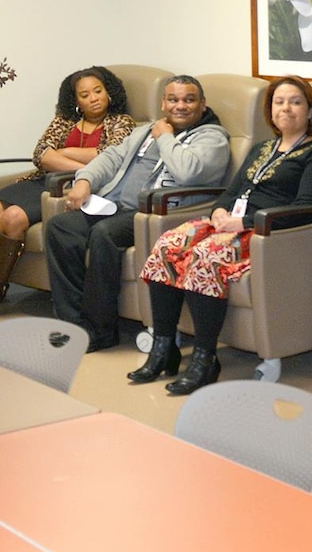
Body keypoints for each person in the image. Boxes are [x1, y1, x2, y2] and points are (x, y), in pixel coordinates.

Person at [132, 76, 312, 395]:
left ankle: (205, 359)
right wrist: (220, 211)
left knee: (206, 257)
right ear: (270, 111)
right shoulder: (262, 148)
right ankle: (164, 348)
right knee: (168, 245)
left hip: (268, 234)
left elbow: (306, 210)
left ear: (311, 111)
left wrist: (244, 224)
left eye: (295, 102)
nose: (286, 108)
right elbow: (233, 192)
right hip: (230, 224)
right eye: (279, 102)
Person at [44, 74, 229, 352]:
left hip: (158, 214)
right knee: (61, 227)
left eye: (189, 100)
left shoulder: (212, 138)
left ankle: (101, 330)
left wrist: (166, 138)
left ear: (202, 104)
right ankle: (74, 324)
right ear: (163, 104)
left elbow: (188, 172)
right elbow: (111, 157)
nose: (181, 105)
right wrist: (85, 181)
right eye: (173, 99)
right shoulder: (146, 131)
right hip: (114, 206)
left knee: (104, 234)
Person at [0, 67, 136, 320]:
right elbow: (40, 155)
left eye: (98, 91)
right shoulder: (65, 120)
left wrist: (63, 155)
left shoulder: (122, 122)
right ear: (76, 100)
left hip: (67, 189)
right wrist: (84, 166)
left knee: (11, 218)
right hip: (42, 181)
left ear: (109, 92)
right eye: (85, 95)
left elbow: (109, 157)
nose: (94, 98)